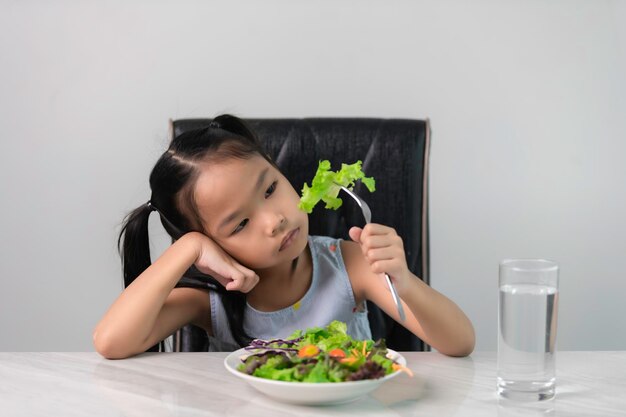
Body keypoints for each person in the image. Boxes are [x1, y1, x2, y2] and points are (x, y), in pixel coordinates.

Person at [93, 115, 475, 359]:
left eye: (270, 188)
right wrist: (187, 249)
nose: (274, 220)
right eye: (240, 224)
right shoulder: (210, 301)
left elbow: (460, 343)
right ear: (211, 244)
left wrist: (402, 280)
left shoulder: (348, 263)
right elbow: (110, 342)